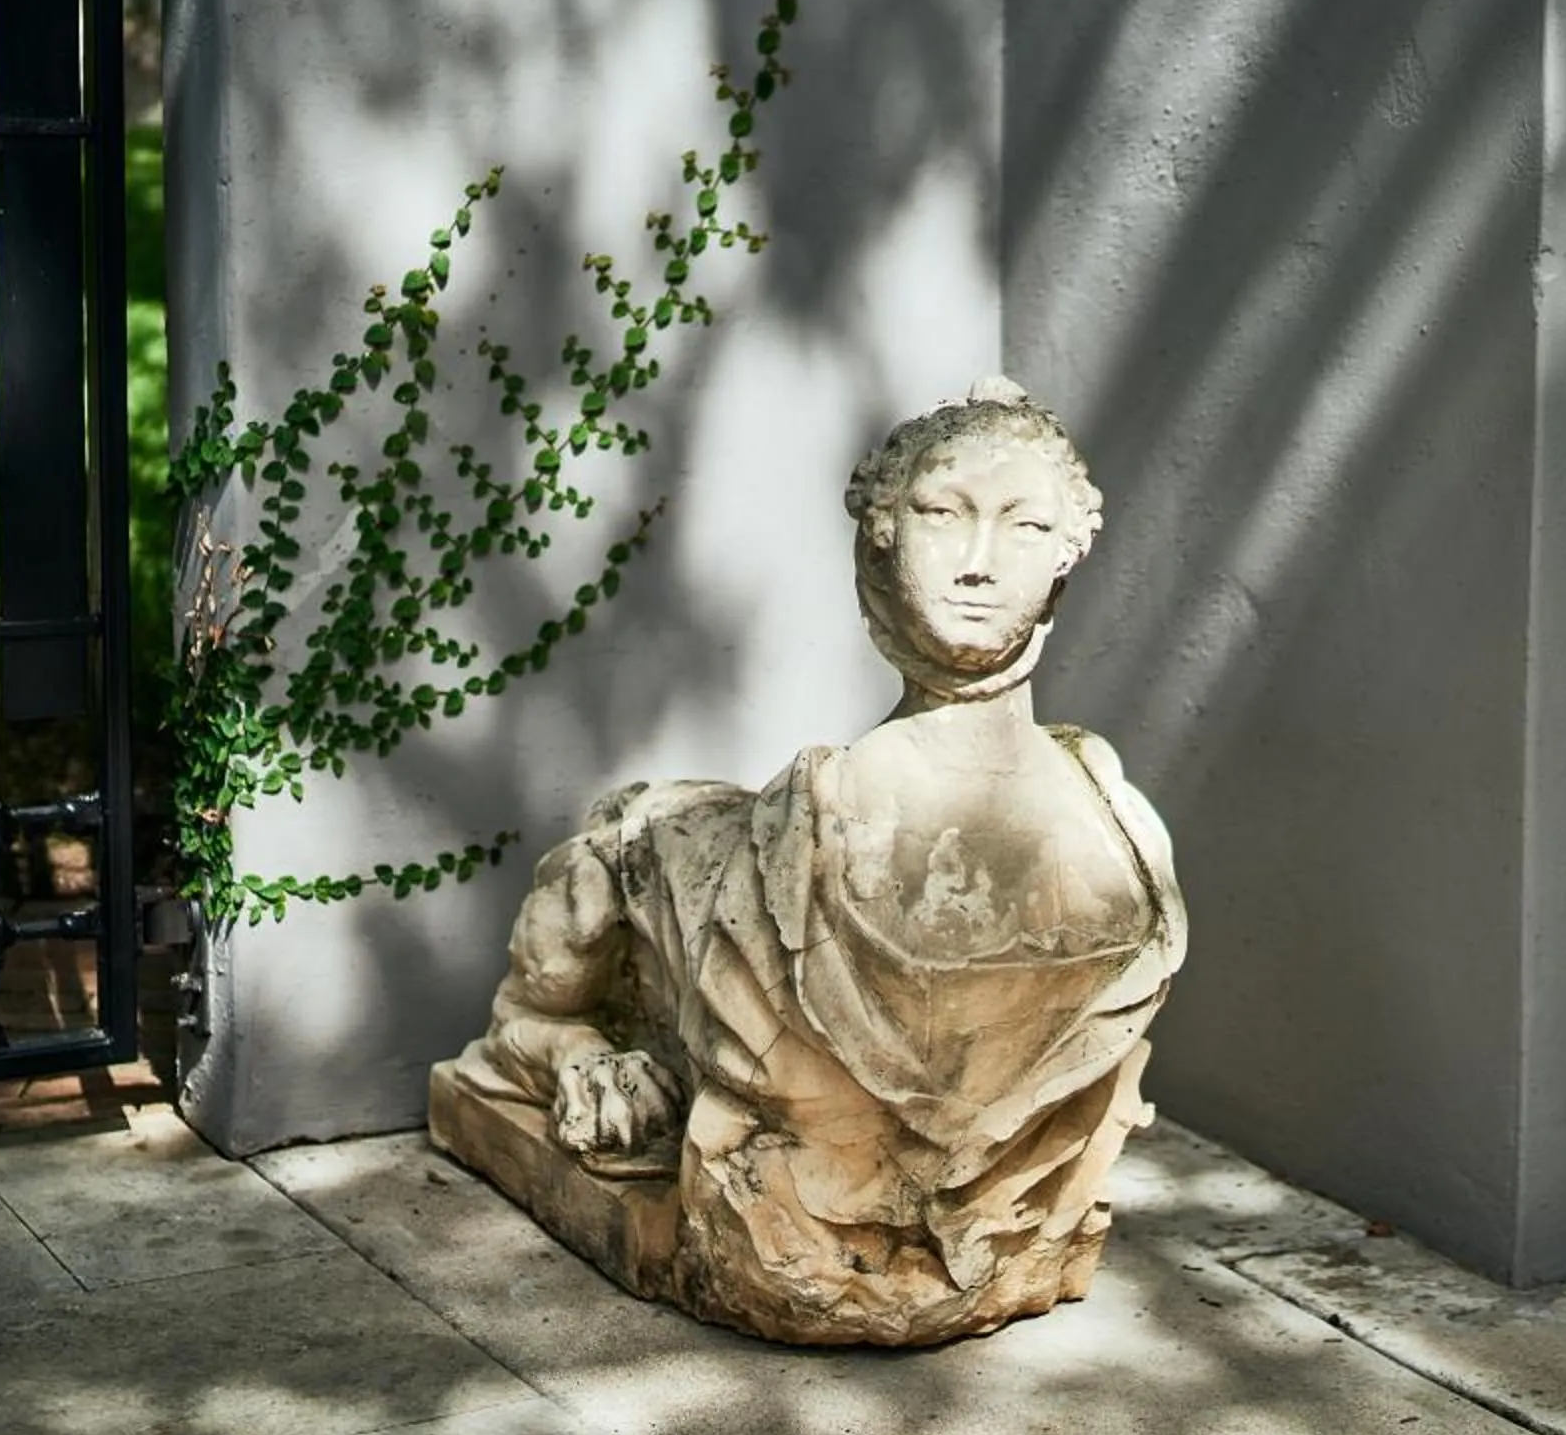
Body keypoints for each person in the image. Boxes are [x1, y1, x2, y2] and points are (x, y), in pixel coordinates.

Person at [432, 379, 1186, 1346]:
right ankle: (559, 1040)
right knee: (605, 878)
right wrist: (569, 1044)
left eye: (1025, 526)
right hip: (766, 1184)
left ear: (1068, 556)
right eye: (941, 514)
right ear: (881, 538)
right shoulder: (801, 839)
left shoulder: (1122, 834)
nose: (978, 562)